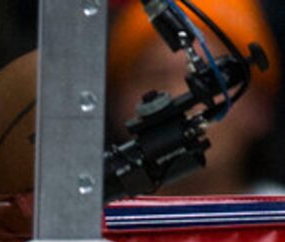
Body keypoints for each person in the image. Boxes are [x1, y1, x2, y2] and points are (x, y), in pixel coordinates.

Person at [107, 0, 282, 195]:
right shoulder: (83, 221)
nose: (177, 92)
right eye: (156, 75)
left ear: (261, 105)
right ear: (116, 102)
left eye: (210, 81)